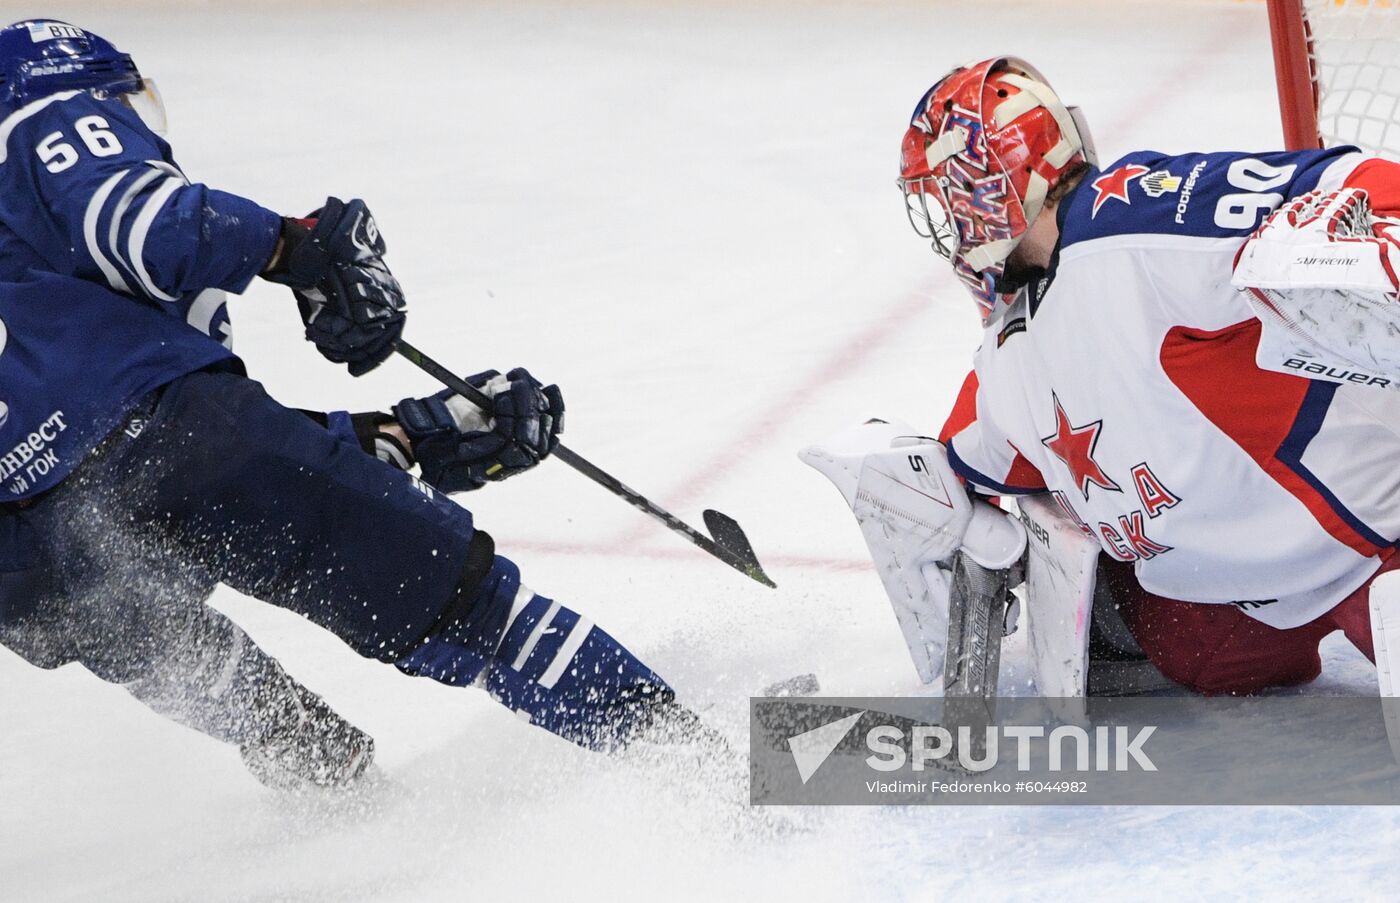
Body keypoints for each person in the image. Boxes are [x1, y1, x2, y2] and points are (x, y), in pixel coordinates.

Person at [0, 18, 685, 787]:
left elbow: (113, 453)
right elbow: (145, 238)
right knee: (471, 608)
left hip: (32, 560)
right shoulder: (38, 109)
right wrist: (292, 248)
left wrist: (400, 439)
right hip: (167, 446)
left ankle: (343, 806)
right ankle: (734, 770)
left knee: (180, 654)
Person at [893, 56, 1400, 695]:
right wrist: (929, 495)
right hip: (1219, 618)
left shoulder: (1133, 217)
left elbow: (1350, 181)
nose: (952, 231)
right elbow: (975, 458)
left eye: (950, 199)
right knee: (1163, 627)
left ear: (993, 192)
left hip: (1371, 550)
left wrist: (1385, 230)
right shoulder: (1007, 345)